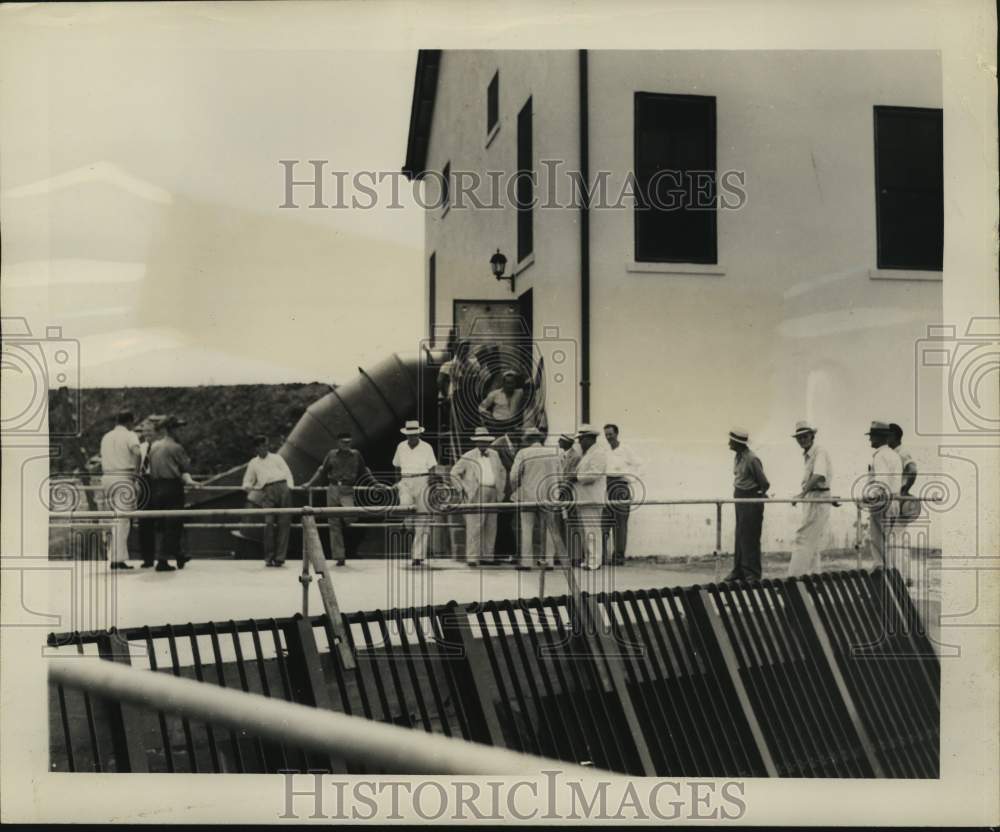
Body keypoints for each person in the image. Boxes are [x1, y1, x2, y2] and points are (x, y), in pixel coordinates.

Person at [304, 432, 373, 566]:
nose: (346, 445)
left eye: (348, 442)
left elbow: (364, 470)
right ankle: (339, 556)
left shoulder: (356, 455)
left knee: (350, 517)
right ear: (338, 443)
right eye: (343, 442)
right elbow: (322, 470)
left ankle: (347, 538)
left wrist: (375, 484)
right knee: (333, 523)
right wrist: (309, 484)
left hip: (347, 489)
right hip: (333, 488)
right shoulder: (331, 454)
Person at [451, 426, 508, 567]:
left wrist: (500, 489)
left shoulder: (494, 454)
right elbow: (454, 472)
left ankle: (488, 557)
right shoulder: (468, 455)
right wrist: (462, 488)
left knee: (491, 525)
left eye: (485, 441)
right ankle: (472, 557)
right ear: (476, 442)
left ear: (488, 442)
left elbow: (502, 471)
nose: (483, 443)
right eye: (480, 441)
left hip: (493, 491)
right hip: (477, 492)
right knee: (475, 525)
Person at [148, 415, 196, 572]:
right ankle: (163, 559)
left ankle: (178, 554)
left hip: (156, 486)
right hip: (172, 487)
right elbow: (187, 467)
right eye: (179, 428)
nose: (181, 431)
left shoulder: (154, 445)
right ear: (172, 429)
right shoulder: (175, 447)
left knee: (161, 524)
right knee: (174, 524)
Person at [509, 427, 562, 569]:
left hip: (528, 495)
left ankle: (526, 562)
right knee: (549, 529)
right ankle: (549, 561)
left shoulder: (524, 453)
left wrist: (516, 490)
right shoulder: (554, 453)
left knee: (527, 528)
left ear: (528, 440)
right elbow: (560, 475)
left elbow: (514, 476)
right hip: (549, 495)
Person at [787, 421, 833, 577]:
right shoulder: (808, 454)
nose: (802, 440)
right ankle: (814, 577)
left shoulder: (819, 451)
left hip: (817, 497)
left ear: (813, 436)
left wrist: (802, 493)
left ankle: (792, 580)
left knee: (803, 538)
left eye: (805, 436)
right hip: (814, 497)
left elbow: (819, 474)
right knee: (812, 541)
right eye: (799, 437)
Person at [242, 435, 295, 567]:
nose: (264, 448)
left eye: (266, 445)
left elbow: (287, 473)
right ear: (256, 448)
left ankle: (280, 558)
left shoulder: (277, 458)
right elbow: (247, 481)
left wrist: (289, 488)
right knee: (268, 524)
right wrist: (249, 487)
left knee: (284, 523)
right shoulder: (253, 463)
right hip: (267, 491)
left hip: (283, 488)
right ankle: (269, 557)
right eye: (261, 446)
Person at [726, 427, 770, 582]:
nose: (729, 443)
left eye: (731, 441)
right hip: (739, 498)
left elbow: (764, 483)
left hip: (751, 499)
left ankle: (753, 573)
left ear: (738, 443)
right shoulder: (737, 457)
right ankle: (738, 570)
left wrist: (757, 497)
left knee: (750, 535)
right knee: (740, 534)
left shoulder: (752, 459)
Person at [99, 410, 142, 570]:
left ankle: (114, 556)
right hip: (122, 477)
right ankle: (117, 559)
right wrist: (137, 475)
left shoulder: (106, 437)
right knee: (123, 520)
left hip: (107, 478)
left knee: (114, 519)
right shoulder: (130, 435)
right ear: (130, 422)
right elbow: (138, 453)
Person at [392, 420, 438, 567]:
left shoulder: (427, 447)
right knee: (405, 507)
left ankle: (417, 556)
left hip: (422, 480)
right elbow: (396, 465)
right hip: (406, 480)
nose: (411, 437)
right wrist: (397, 482)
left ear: (419, 434)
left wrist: (431, 483)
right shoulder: (401, 446)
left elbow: (432, 468)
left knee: (422, 520)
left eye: (414, 434)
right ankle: (406, 523)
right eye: (409, 435)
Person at [865, 420, 903, 568]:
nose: (870, 439)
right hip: (893, 500)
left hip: (882, 502)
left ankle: (881, 570)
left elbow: (881, 482)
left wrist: (870, 497)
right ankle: (889, 571)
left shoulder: (880, 456)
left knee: (877, 539)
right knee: (889, 540)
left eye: (872, 436)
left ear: (881, 437)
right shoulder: (893, 455)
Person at [602, 423, 641, 566]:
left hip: (621, 487)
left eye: (610, 434)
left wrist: (629, 479)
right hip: (606, 486)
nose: (608, 437)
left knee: (620, 524)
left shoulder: (626, 449)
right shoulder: (605, 450)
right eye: (606, 435)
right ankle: (602, 556)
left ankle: (618, 557)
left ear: (617, 434)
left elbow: (639, 464)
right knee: (605, 521)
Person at [571, 424, 607, 571]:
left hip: (592, 498)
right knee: (587, 532)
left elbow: (594, 473)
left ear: (589, 438)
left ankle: (594, 561)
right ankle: (589, 559)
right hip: (584, 498)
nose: (579, 442)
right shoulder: (588, 453)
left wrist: (576, 477)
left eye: (581, 439)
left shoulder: (598, 453)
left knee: (592, 531)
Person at [135, 414, 165, 568]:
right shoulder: (141, 447)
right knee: (144, 522)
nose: (146, 434)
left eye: (149, 431)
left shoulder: (161, 446)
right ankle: (147, 558)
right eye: (144, 431)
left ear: (157, 431)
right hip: (143, 483)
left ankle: (162, 557)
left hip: (157, 482)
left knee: (161, 521)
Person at [888, 423, 920, 522]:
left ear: (894, 436)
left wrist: (905, 490)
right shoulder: (891, 454)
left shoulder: (902, 453)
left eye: (887, 435)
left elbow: (913, 470)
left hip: (898, 501)